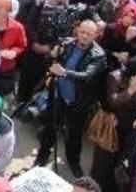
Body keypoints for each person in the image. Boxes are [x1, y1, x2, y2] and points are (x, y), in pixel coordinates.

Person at [34, 19, 107, 177]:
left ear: (95, 35)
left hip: (78, 102)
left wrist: (65, 73)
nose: (85, 36)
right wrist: (51, 56)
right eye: (82, 32)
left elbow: (88, 75)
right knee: (50, 128)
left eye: (89, 33)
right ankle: (42, 156)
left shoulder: (98, 55)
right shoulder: (66, 45)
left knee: (74, 134)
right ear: (77, 31)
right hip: (58, 95)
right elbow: (49, 65)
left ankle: (73, 162)